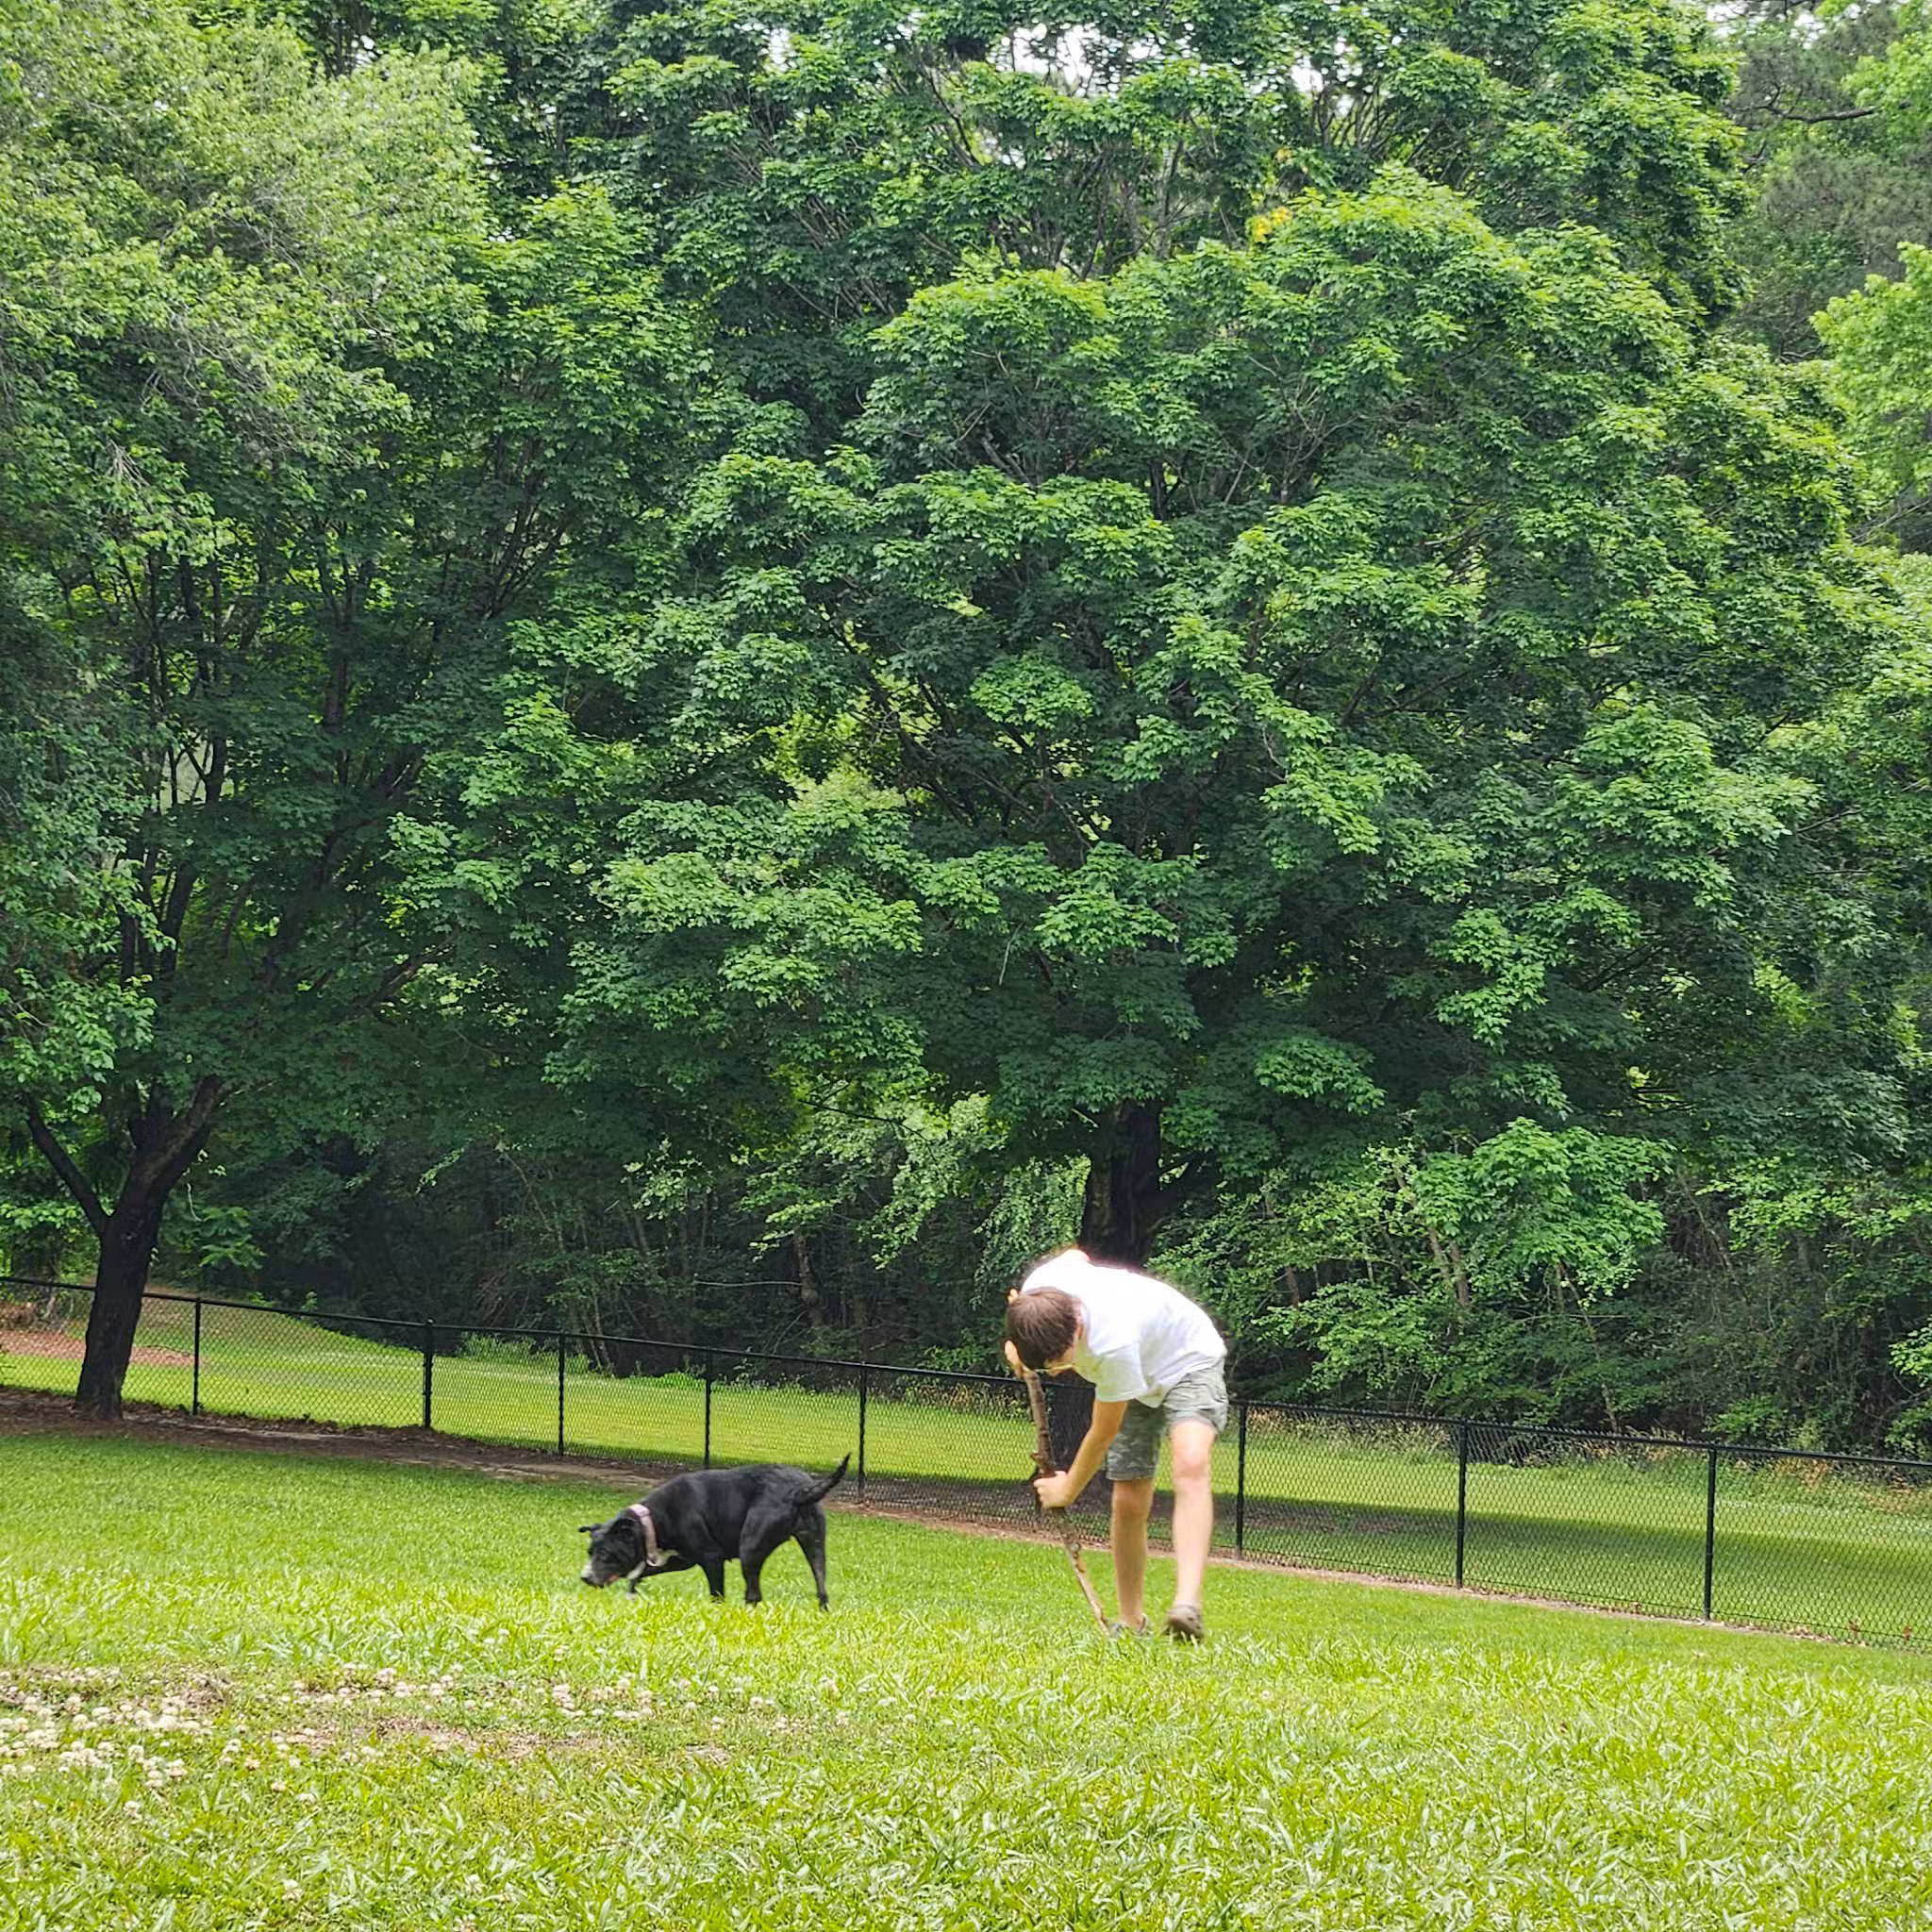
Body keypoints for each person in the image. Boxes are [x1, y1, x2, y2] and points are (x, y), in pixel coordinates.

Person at [1004, 1245, 1227, 1641]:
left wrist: (1066, 1490)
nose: (1058, 1370)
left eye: (1062, 1360)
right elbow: (1075, 1256)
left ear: (1077, 1324)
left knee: (1190, 1462)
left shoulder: (1112, 1342)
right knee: (1128, 1498)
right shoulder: (1042, 1288)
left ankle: (1187, 1606)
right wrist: (1016, 1347)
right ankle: (1131, 1621)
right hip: (1133, 1376)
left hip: (1187, 1361)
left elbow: (1102, 1432)